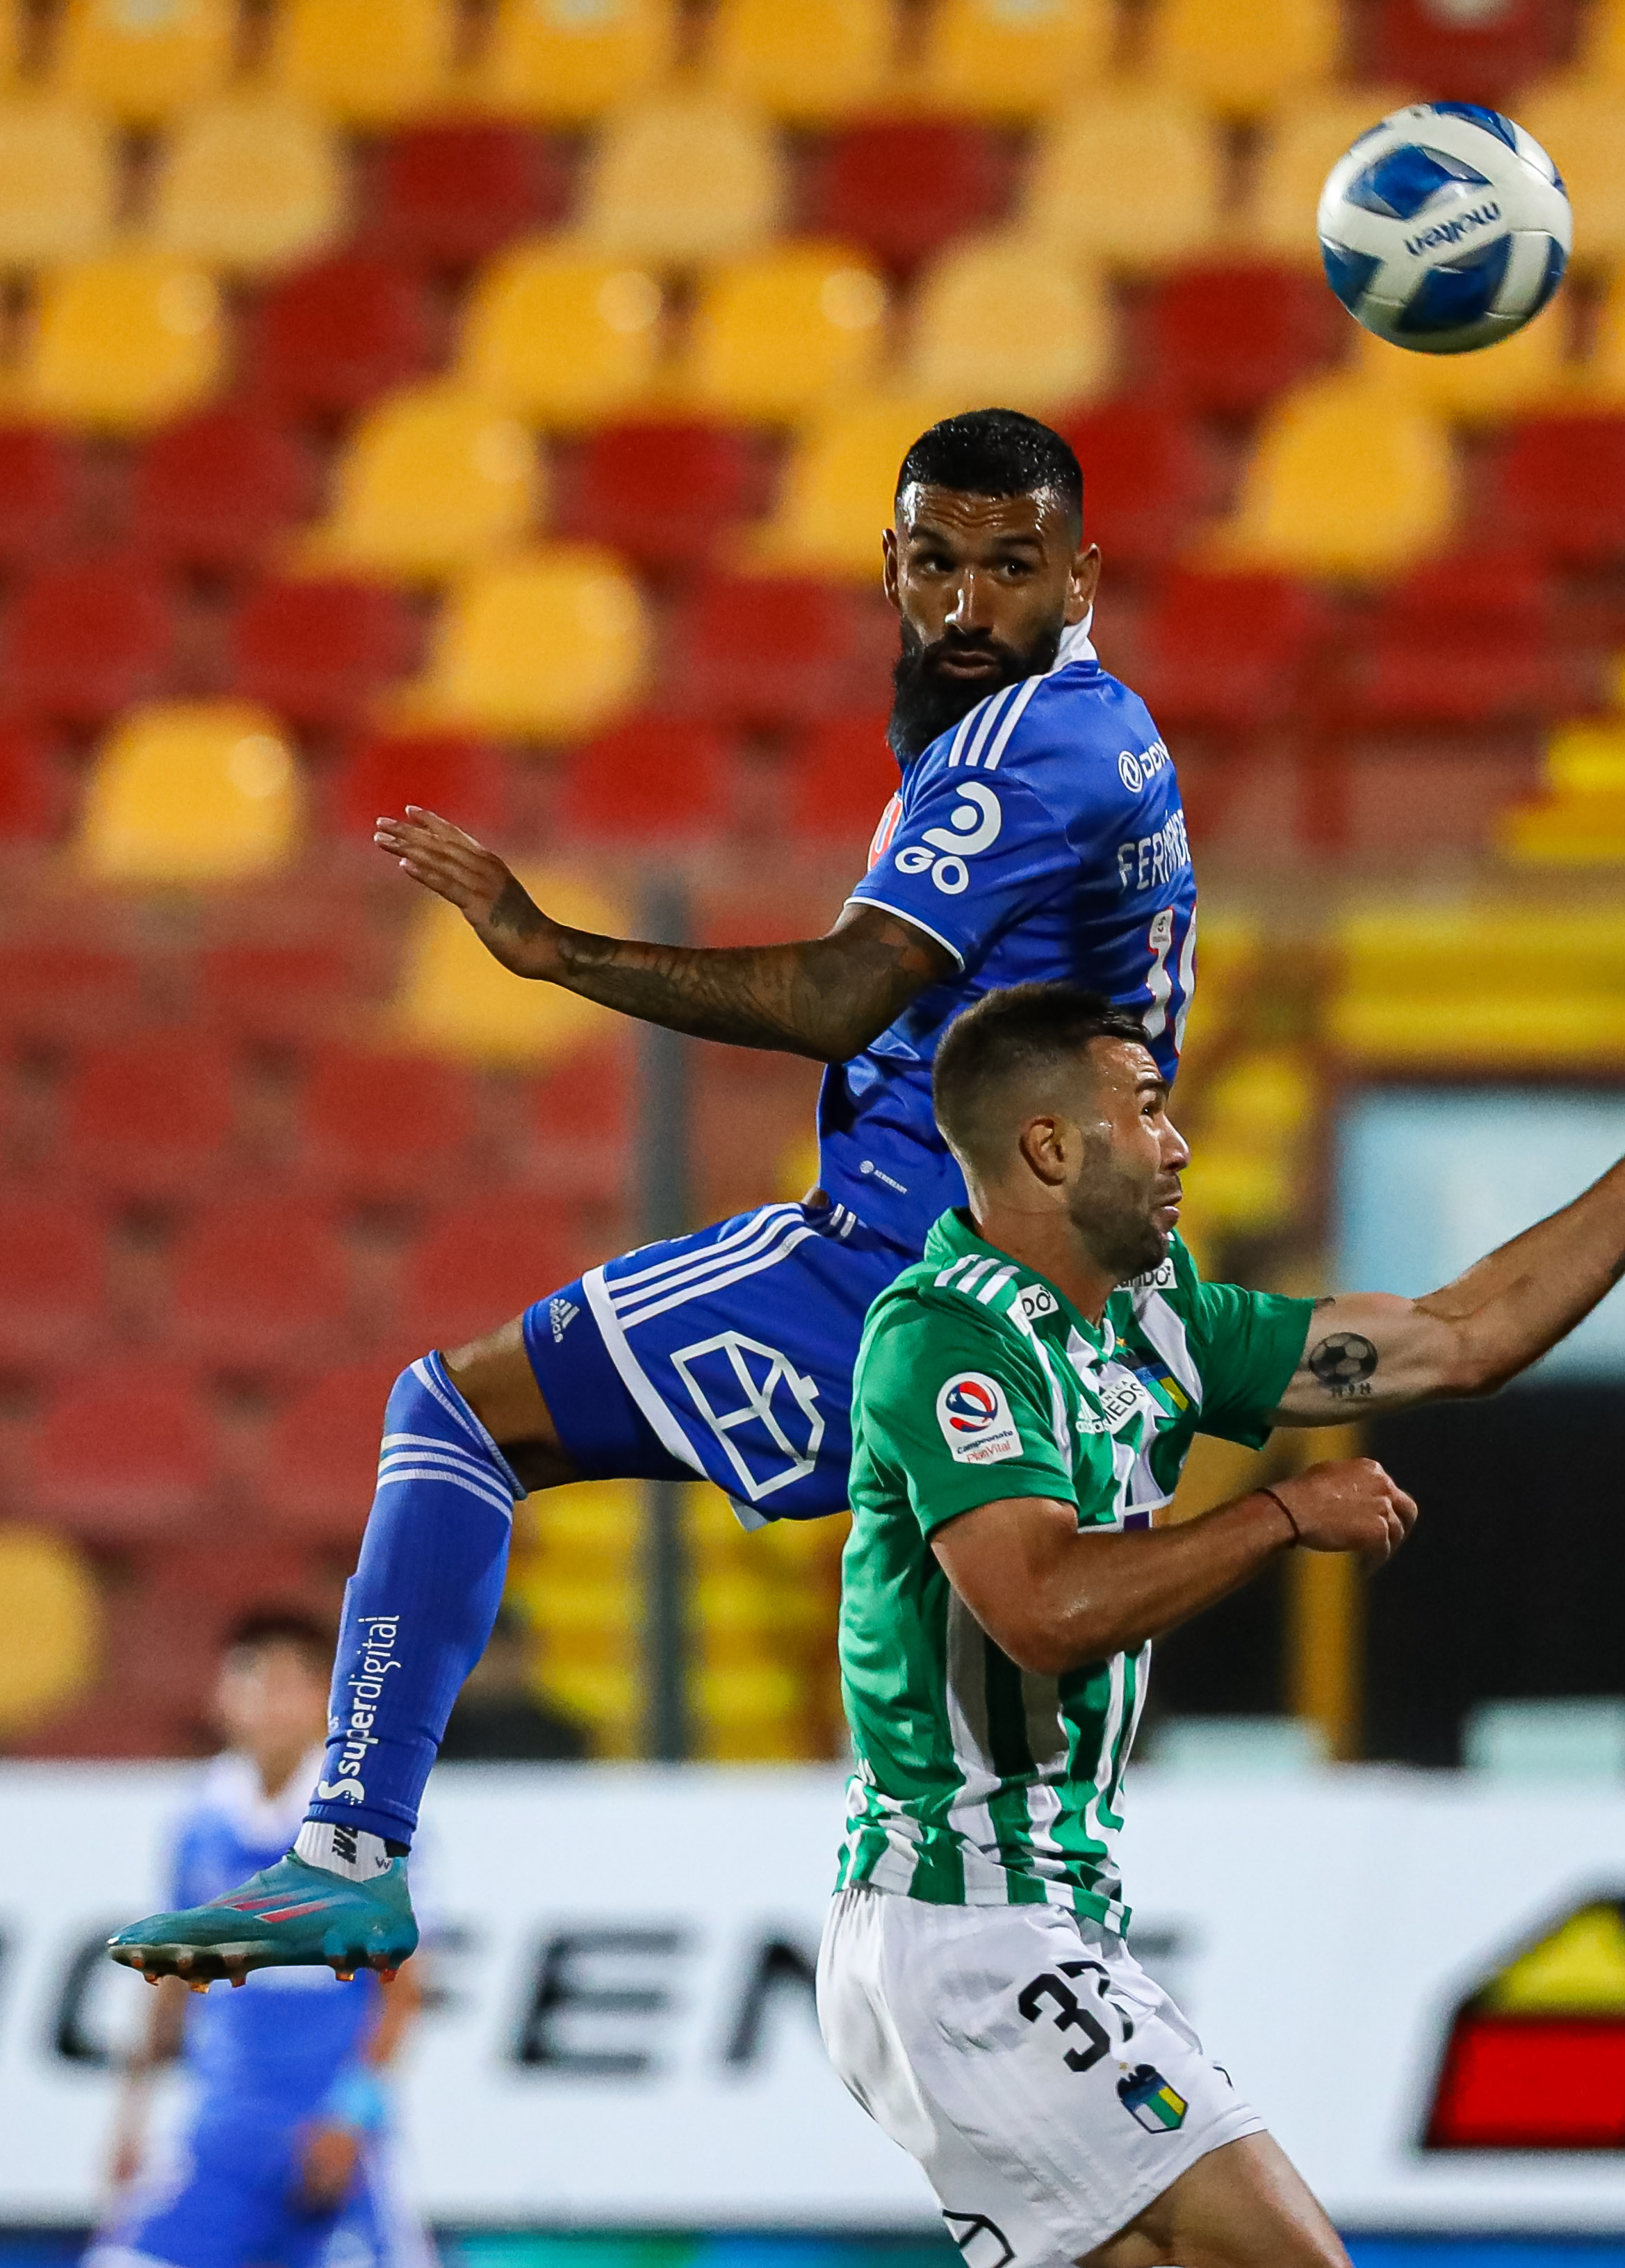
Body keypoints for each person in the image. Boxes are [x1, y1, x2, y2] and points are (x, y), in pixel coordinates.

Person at [115, 409, 1205, 1982]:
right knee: (989, 1863)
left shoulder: (1040, 747)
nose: (967, 608)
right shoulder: (1056, 727)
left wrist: (558, 951)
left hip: (912, 1278)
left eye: (1012, 571)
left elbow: (842, 994)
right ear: (890, 563)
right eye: (935, 564)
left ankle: (345, 1852)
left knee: (458, 1414)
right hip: (1051, 1313)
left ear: (1081, 573)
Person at [822, 984, 1625, 2268]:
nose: (1179, 1142)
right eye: (1146, 1111)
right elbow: (1039, 1607)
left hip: (1025, 1919)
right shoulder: (950, 1341)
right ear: (1049, 1147)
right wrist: (1282, 1516)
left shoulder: (1153, 1324)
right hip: (966, 1924)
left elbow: (1456, 1337)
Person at [95, 1609, 430, 2268]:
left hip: (325, 2135)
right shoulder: (200, 1824)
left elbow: (402, 1994)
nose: (268, 1703)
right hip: (219, 2136)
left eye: (288, 1685)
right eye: (252, 1681)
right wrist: (131, 2117)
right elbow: (170, 1987)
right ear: (223, 1697)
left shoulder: (367, 1825)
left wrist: (351, 2117)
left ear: (321, 1704)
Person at [434, 1609, 589, 1763]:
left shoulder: (561, 1738)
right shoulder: (435, 1736)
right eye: (488, 1655)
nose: (497, 1667)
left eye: (507, 1654)